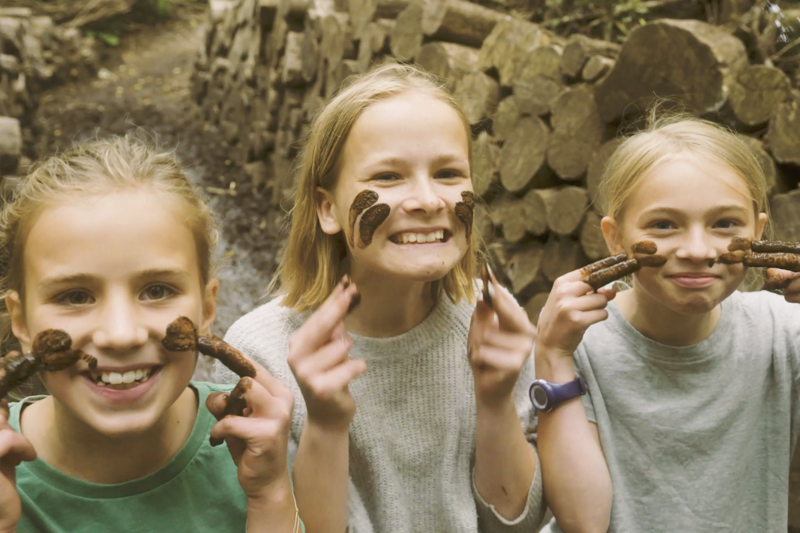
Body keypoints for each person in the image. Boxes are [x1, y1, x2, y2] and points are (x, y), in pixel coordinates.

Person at [215, 62, 545, 533]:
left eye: (449, 173)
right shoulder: (261, 351)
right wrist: (326, 425)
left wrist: (493, 402)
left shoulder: (491, 321)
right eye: (388, 177)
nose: (429, 201)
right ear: (327, 209)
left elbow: (520, 523)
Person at [0, 135, 302, 533]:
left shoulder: (254, 452)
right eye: (75, 296)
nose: (121, 335)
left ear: (207, 309)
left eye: (157, 290)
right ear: (21, 323)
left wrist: (270, 497)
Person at [534, 115, 800, 532]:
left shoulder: (783, 334)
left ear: (758, 232)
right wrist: (552, 356)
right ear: (615, 238)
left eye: (725, 223)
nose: (697, 250)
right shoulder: (572, 347)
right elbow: (582, 522)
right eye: (663, 225)